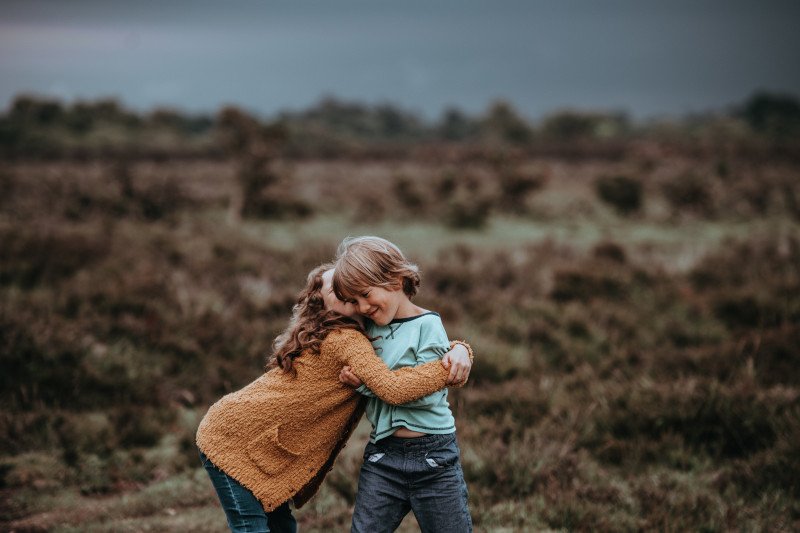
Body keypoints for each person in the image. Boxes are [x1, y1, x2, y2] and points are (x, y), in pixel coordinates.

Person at [196, 262, 473, 533]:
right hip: (230, 438)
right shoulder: (345, 338)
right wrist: (449, 367)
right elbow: (393, 387)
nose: (348, 291)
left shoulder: (365, 329)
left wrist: (459, 348)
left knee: (281, 526)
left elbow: (402, 341)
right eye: (338, 290)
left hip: (244, 434)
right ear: (323, 304)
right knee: (251, 526)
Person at [333, 236, 473, 533]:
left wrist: (366, 385)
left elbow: (423, 393)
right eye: (354, 301)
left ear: (395, 280)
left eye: (366, 295)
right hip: (383, 456)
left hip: (434, 456)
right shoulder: (368, 331)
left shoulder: (428, 325)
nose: (362, 307)